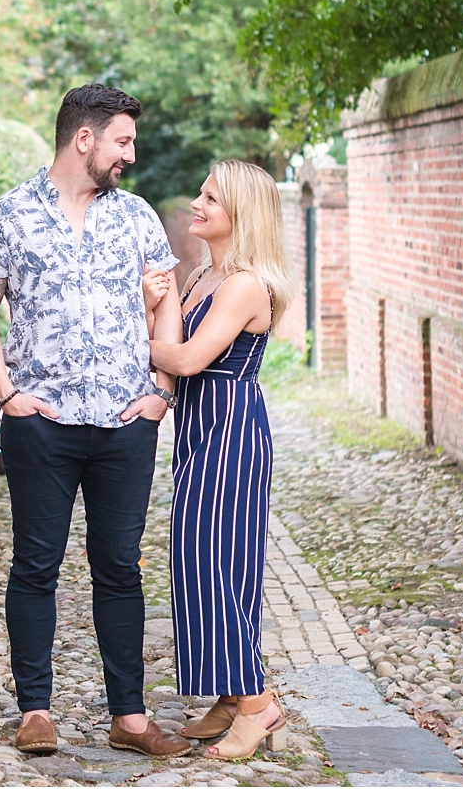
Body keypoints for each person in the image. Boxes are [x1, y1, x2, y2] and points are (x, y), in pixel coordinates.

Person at [0, 84, 191, 760]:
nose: (130, 155)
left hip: (126, 423)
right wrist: (7, 394)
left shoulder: (138, 218)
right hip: (42, 422)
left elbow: (169, 302)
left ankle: (130, 716)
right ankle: (35, 711)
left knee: (119, 566)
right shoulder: (8, 216)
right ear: (83, 139)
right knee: (36, 563)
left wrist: (161, 391)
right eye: (122, 141)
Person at [143, 159, 293, 760]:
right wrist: (152, 305)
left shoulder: (246, 284)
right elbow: (172, 342)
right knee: (206, 561)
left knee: (212, 564)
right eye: (201, 194)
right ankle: (231, 697)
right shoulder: (206, 273)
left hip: (231, 430)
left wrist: (122, 343)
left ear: (242, 213)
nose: (197, 204)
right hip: (200, 427)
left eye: (211, 198)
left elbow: (184, 360)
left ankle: (257, 708)